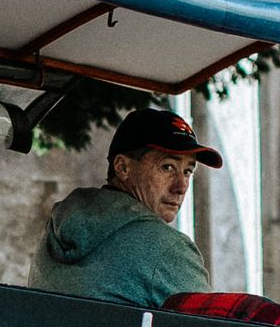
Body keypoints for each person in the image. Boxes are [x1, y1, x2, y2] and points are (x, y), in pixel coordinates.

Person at [34, 105, 220, 306]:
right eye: (167, 167)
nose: (181, 187)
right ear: (123, 167)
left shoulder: (54, 230)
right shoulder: (166, 249)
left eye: (187, 172)